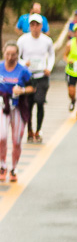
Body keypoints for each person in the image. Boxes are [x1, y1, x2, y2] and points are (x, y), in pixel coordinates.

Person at [16, 14, 54, 143]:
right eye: (32, 25)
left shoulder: (47, 41)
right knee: (28, 104)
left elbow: (52, 55)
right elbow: (18, 57)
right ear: (29, 26)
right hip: (28, 76)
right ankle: (29, 130)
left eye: (37, 25)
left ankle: (38, 130)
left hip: (42, 76)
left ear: (41, 26)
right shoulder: (22, 40)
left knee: (40, 101)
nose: (35, 27)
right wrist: (23, 63)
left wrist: (49, 67)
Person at [0, 42, 34, 182]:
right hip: (2, 107)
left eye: (13, 54)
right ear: (3, 53)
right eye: (7, 54)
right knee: (1, 137)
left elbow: (33, 87)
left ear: (17, 55)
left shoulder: (23, 70)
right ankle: (2, 166)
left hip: (18, 107)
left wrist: (22, 91)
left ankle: (14, 168)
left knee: (17, 141)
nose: (10, 57)